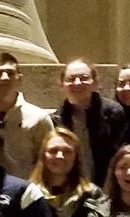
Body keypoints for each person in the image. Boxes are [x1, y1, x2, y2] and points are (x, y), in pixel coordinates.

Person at [0, 54, 55, 179]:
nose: (4, 78)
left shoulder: (39, 118)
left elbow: (49, 161)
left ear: (19, 79)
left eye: (10, 73)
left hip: (24, 192)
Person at [54, 58, 125, 186]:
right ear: (61, 85)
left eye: (83, 78)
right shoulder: (56, 119)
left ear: (95, 83)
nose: (77, 83)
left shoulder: (114, 113)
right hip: (70, 189)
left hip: (107, 190)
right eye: (71, 79)